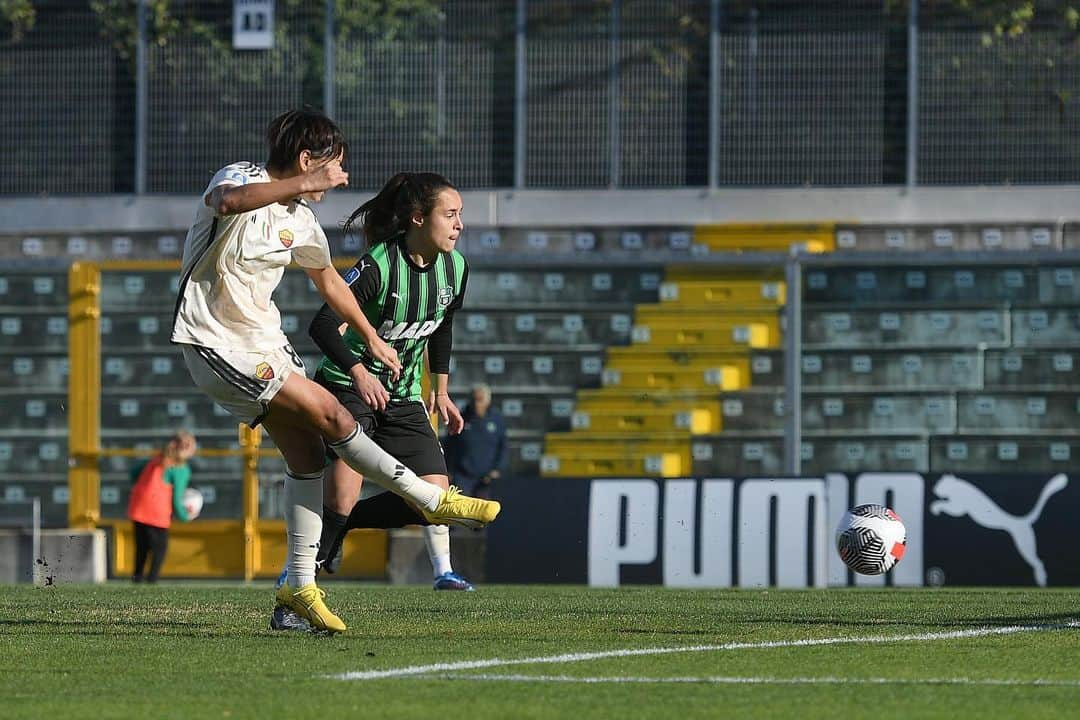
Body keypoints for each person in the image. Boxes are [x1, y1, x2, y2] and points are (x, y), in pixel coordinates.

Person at [170, 109, 500, 634]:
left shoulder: (300, 220)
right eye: (334, 167)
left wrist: (370, 338)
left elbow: (330, 284)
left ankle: (298, 588)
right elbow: (227, 204)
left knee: (306, 455)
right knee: (330, 412)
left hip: (265, 345)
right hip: (215, 341)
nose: (339, 179)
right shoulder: (242, 179)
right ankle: (429, 497)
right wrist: (305, 182)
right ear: (307, 161)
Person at [305, 172, 478, 593]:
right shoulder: (379, 265)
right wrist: (359, 373)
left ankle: (343, 526)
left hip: (402, 396)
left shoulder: (455, 268)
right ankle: (299, 579)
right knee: (344, 490)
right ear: (418, 218)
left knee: (432, 502)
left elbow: (441, 327)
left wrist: (440, 391)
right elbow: (322, 326)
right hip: (347, 387)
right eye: (450, 215)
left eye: (460, 216)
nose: (459, 225)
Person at [127, 431, 198, 583]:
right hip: (157, 514)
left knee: (142, 548)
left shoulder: (154, 460)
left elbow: (133, 474)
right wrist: (185, 517)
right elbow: (177, 499)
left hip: (138, 509)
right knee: (160, 549)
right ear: (188, 449)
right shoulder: (181, 469)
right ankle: (152, 580)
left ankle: (137, 578)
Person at [445, 383, 507, 500]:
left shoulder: (496, 419)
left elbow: (503, 446)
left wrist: (497, 469)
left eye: (480, 400)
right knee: (461, 510)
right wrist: (448, 470)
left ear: (487, 401)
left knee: (484, 512)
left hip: (487, 477)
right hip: (463, 476)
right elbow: (449, 445)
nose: (476, 403)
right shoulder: (461, 417)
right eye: (474, 399)